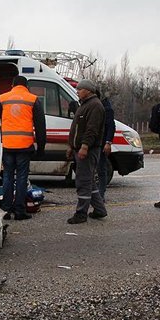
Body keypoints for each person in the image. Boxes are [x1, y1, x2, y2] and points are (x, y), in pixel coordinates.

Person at [0, 75, 46, 220]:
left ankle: (6, 209)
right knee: (22, 178)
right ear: (26, 86)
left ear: (12, 85)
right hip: (24, 145)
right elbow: (41, 126)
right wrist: (41, 148)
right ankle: (20, 211)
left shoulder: (2, 98)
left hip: (7, 145)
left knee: (8, 177)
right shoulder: (33, 99)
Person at [66, 79, 107, 224]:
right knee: (89, 181)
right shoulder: (84, 105)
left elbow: (92, 130)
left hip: (89, 150)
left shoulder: (95, 106)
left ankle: (81, 213)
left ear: (88, 90)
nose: (77, 92)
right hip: (81, 148)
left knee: (83, 181)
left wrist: (84, 147)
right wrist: (71, 145)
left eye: (79, 89)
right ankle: (100, 209)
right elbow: (76, 128)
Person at [97, 91, 115, 200]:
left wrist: (108, 142)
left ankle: (100, 194)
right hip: (93, 143)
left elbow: (111, 126)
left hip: (100, 143)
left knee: (101, 169)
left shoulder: (106, 108)